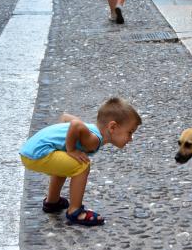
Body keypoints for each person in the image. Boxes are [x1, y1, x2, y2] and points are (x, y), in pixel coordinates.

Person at [19, 97, 142, 226]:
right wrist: (71, 149)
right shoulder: (94, 139)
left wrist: (64, 144)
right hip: (38, 153)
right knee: (82, 166)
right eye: (130, 132)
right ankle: (75, 211)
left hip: (30, 151)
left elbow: (66, 117)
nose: (131, 139)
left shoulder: (90, 130)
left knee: (67, 164)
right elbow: (75, 124)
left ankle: (52, 202)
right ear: (112, 127)